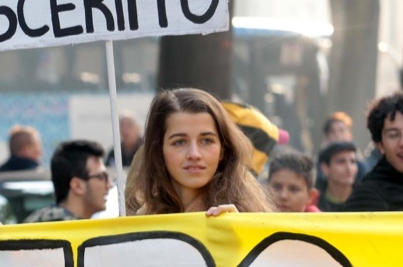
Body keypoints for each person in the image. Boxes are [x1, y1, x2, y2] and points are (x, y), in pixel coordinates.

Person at [127, 88, 275, 216]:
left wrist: (241, 235)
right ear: (159, 151)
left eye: (206, 141)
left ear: (223, 150)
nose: (194, 154)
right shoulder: (142, 219)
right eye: (179, 142)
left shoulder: (250, 216)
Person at [24, 139, 110, 223]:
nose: (109, 185)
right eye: (102, 177)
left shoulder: (39, 223)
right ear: (77, 185)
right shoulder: (62, 228)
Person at [316, 140, 358, 212]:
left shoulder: (365, 199)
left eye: (352, 161)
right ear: (325, 168)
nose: (349, 168)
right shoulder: (314, 201)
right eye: (341, 161)